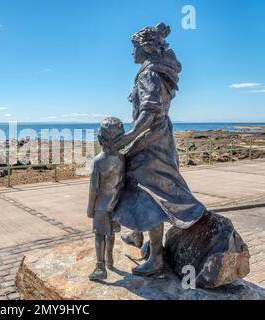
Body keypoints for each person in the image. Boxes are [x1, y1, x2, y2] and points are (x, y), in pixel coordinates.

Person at [111, 23, 206, 276]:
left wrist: (130, 136)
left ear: (144, 48)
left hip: (150, 142)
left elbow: (150, 110)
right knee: (139, 188)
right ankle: (136, 234)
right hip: (160, 137)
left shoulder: (149, 74)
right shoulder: (156, 69)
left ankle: (156, 259)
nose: (130, 52)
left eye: (133, 47)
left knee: (152, 195)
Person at [87, 117, 124, 281]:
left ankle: (100, 267)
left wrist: (90, 209)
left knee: (99, 234)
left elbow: (93, 189)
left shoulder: (97, 162)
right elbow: (122, 182)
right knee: (110, 232)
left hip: (101, 206)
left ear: (100, 138)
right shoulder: (122, 159)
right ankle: (110, 258)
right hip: (115, 203)